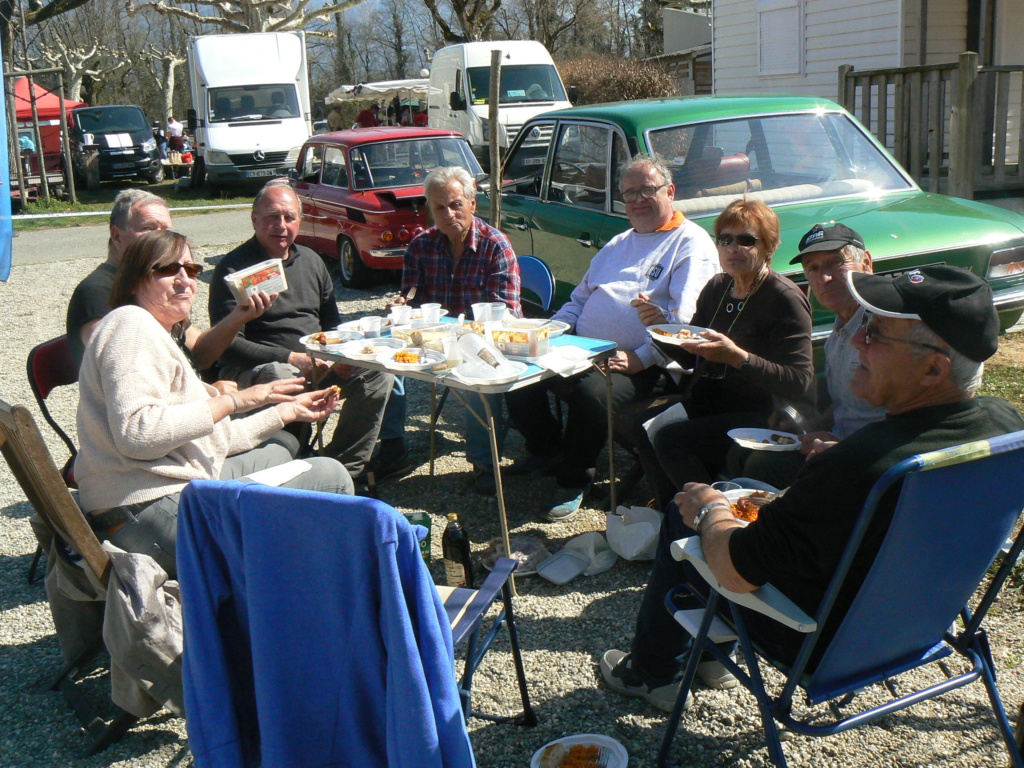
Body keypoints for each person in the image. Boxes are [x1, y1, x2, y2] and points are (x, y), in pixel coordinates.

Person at [600, 264, 1023, 712]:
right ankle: (708, 659)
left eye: (877, 334)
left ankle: (651, 673)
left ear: (933, 370)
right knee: (741, 487)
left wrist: (707, 508)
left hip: (817, 639)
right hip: (918, 621)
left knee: (686, 510)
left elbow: (733, 569)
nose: (858, 340)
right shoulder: (1007, 428)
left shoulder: (859, 468)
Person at [76, 230, 353, 579]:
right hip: (153, 515)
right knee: (331, 477)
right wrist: (232, 401)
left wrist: (286, 411)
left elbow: (205, 440)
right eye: (167, 269)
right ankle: (314, 597)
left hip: (153, 499)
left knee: (283, 449)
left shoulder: (152, 330)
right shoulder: (131, 326)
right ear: (135, 280)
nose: (185, 280)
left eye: (190, 270)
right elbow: (139, 433)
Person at [505, 156, 720, 521]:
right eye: (629, 193)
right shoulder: (619, 242)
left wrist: (642, 357)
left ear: (670, 191)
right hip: (587, 350)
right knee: (520, 369)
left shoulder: (690, 243)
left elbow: (685, 323)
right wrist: (546, 333)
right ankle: (548, 451)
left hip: (652, 363)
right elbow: (578, 301)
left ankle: (575, 479)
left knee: (592, 393)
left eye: (646, 190)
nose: (636, 200)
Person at [632, 198, 815, 511]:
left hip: (762, 412)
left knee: (671, 440)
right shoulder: (718, 287)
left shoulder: (783, 298)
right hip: (711, 400)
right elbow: (693, 359)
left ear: (768, 246)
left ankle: (711, 516)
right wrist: (658, 327)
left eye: (746, 240)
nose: (733, 248)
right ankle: (671, 510)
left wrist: (739, 357)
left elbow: (800, 381)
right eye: (725, 239)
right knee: (643, 425)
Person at [209, 182, 393, 481]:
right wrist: (294, 358)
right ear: (254, 219)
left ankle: (341, 470)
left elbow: (333, 325)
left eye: (290, 217)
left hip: (316, 364)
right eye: (272, 217)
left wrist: (339, 357)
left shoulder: (311, 260)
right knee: (285, 377)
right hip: (259, 371)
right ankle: (286, 461)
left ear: (301, 220)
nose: (281, 226)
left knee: (376, 373)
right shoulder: (234, 269)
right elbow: (229, 346)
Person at [390, 165, 522, 495]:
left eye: (455, 204)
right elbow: (411, 299)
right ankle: (392, 448)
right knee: (384, 366)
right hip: (432, 341)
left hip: (484, 342)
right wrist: (400, 307)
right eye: (439, 207)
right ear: (429, 210)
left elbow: (507, 313)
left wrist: (465, 335)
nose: (448, 214)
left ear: (473, 204)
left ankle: (484, 462)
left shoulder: (496, 246)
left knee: (480, 374)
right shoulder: (420, 247)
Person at [726, 222, 887, 487]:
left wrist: (845, 445)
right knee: (741, 452)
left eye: (835, 263)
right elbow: (847, 407)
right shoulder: (839, 333)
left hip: (871, 460)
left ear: (866, 263)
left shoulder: (885, 329)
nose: (824, 278)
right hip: (836, 445)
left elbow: (906, 417)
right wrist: (805, 426)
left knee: (762, 467)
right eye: (813, 268)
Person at [66, 189, 275, 371]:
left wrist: (238, 317)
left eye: (167, 230)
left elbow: (199, 354)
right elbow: (122, 366)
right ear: (117, 236)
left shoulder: (162, 282)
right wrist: (219, 399)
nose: (162, 238)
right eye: (149, 228)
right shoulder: (96, 291)